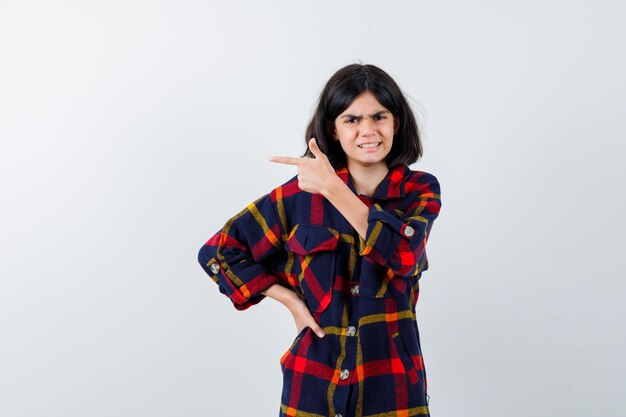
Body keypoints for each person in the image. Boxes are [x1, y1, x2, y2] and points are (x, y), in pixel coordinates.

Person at [197, 63, 443, 417]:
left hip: (392, 388)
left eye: (379, 116)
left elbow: (403, 255)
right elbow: (218, 252)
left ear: (396, 123)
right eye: (352, 119)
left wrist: (332, 188)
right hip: (312, 385)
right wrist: (291, 302)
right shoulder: (299, 197)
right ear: (334, 128)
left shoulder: (419, 190)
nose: (368, 130)